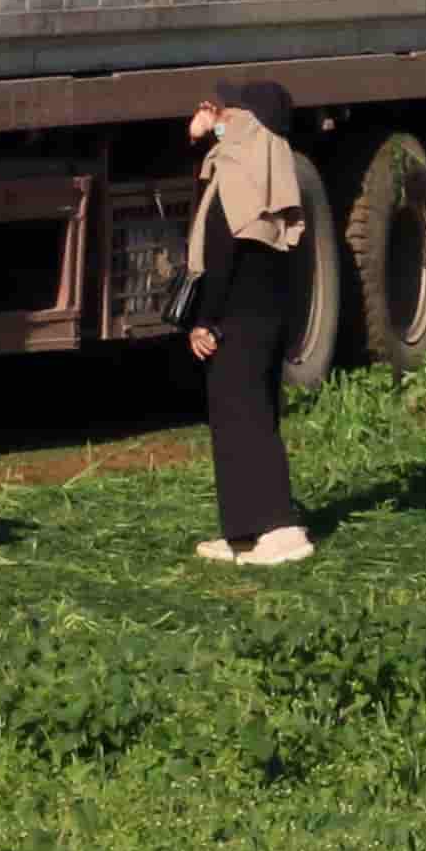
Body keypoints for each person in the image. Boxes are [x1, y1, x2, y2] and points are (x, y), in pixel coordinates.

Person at [177, 83, 323, 566]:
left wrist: (207, 322)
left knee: (247, 420)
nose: (222, 116)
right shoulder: (263, 170)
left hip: (238, 319)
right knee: (241, 416)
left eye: (232, 111)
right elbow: (211, 185)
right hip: (265, 318)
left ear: (252, 122)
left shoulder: (242, 173)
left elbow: (222, 254)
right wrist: (204, 131)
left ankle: (281, 527)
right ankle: (243, 529)